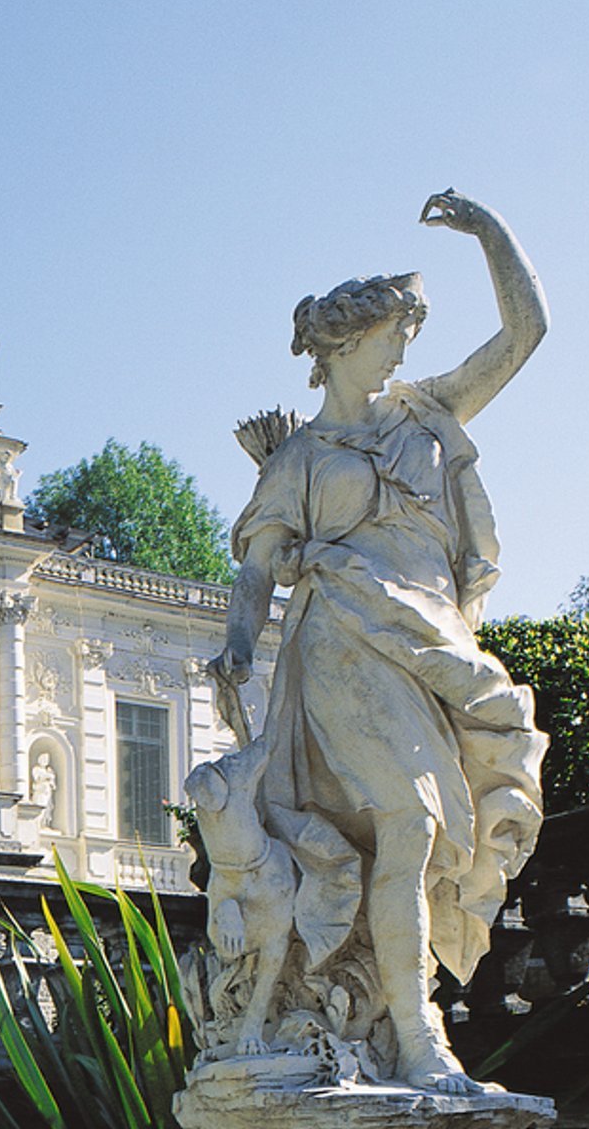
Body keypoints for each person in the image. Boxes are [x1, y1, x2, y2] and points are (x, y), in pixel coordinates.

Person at [209, 190, 549, 1094]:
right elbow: (257, 567)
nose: (407, 347)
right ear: (345, 342)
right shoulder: (300, 460)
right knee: (415, 819)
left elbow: (527, 333)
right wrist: (239, 646)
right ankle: (420, 1035)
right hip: (344, 646)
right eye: (397, 330)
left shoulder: (430, 415)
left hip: (435, 651)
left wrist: (489, 232)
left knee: (430, 837)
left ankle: (402, 1032)